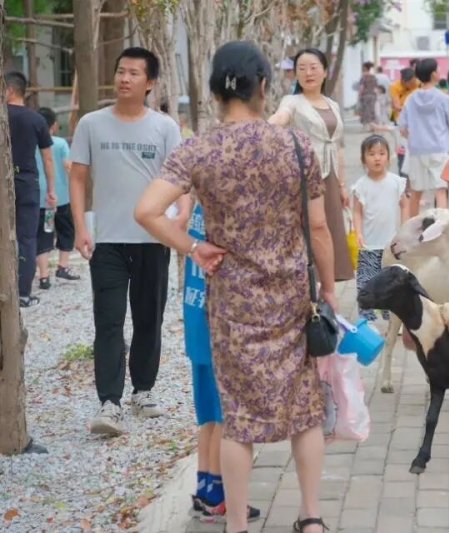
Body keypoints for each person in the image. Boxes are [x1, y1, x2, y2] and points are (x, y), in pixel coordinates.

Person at [134, 41, 337, 533]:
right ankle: (310, 517)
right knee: (305, 410)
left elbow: (145, 211)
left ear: (213, 91)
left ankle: (236, 527)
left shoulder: (199, 149)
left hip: (231, 302)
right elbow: (318, 228)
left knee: (237, 414)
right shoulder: (295, 146)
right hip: (292, 298)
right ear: (264, 88)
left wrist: (192, 248)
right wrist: (329, 289)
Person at [69, 47, 191, 435]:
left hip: (152, 240)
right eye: (121, 71)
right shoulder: (91, 123)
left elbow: (180, 176)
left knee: (148, 318)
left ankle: (143, 389)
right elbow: (77, 178)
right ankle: (110, 402)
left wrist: (183, 213)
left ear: (150, 82)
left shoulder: (164, 127)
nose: (124, 78)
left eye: (134, 73)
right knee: (108, 320)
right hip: (107, 240)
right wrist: (80, 227)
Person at [183, 202, 262, 523]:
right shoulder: (225, 211)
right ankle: (219, 496)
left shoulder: (199, 212)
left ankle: (204, 489)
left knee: (209, 416)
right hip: (220, 325)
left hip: (197, 319)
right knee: (225, 415)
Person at [269, 48, 354, 282]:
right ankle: (306, 287)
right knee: (310, 229)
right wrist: (262, 129)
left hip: (331, 177)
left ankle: (327, 294)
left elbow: (337, 147)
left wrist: (343, 185)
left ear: (325, 72)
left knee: (330, 232)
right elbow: (281, 117)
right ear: (295, 74)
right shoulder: (292, 101)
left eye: (314, 67)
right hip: (303, 177)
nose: (308, 73)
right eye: (302, 68)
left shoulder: (332, 105)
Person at [4, 71, 56, 308]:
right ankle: (23, 293)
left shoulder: (3, 116)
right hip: (27, 182)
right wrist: (51, 189)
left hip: (3, 181)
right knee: (26, 238)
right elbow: (47, 160)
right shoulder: (37, 120)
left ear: (10, 90)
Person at [352, 135, 409, 320]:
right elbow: (357, 212)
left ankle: (391, 316)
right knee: (366, 280)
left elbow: (405, 205)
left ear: (388, 157)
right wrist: (358, 232)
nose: (377, 158)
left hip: (390, 245)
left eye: (381, 153)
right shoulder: (361, 186)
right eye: (371, 154)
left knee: (391, 281)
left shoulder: (395, 182)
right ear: (363, 159)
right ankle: (366, 318)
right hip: (369, 244)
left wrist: (404, 230)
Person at [398, 58, 449, 216]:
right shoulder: (443, 98)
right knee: (441, 190)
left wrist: (413, 137)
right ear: (434, 74)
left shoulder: (410, 99)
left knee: (416, 191)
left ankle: (412, 226)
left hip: (417, 149)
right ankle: (442, 226)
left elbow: (402, 128)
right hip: (439, 148)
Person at [34, 107, 80, 290]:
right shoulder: (60, 143)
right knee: (66, 231)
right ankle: (62, 266)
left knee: (43, 235)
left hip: (39, 199)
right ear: (54, 125)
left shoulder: (31, 143)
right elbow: (68, 166)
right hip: (61, 198)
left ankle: (43, 276)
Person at [358, 61, 377, 127]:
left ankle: (367, 125)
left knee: (365, 110)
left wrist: (359, 95)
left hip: (365, 96)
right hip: (372, 95)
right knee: (372, 110)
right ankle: (373, 125)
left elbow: (361, 87)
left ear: (365, 68)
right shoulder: (373, 76)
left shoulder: (364, 77)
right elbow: (375, 87)